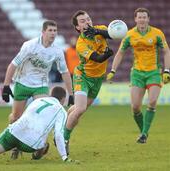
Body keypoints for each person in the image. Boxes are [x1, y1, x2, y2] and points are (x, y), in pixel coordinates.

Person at [1, 20, 74, 158]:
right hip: (22, 83)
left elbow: (65, 72)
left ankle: (39, 147)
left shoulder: (57, 51)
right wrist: (5, 86)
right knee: (15, 117)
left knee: (43, 116)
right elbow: (13, 65)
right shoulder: (29, 46)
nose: (53, 33)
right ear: (43, 32)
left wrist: (71, 93)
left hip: (40, 86)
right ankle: (15, 145)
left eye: (55, 31)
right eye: (50, 30)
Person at [107, 8, 170, 143]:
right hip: (137, 73)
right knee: (135, 107)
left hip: (154, 72)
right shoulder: (129, 35)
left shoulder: (157, 33)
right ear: (135, 19)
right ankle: (144, 132)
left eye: (144, 17)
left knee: (152, 101)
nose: (142, 19)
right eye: (139, 17)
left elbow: (166, 51)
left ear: (148, 19)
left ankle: (144, 134)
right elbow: (120, 53)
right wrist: (112, 70)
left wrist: (167, 71)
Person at [63, 10, 114, 154]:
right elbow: (97, 58)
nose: (87, 22)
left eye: (88, 19)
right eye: (83, 21)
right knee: (80, 109)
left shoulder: (101, 29)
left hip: (98, 79)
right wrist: (107, 54)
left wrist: (96, 31)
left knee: (79, 110)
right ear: (77, 27)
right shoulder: (81, 44)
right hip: (83, 76)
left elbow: (112, 34)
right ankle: (64, 138)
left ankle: (61, 122)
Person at [0, 86, 76, 163]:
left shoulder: (38, 100)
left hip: (13, 133)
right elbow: (58, 134)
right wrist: (64, 157)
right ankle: (36, 156)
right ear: (63, 99)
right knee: (43, 143)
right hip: (30, 145)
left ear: (50, 95)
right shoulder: (61, 111)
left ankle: (15, 147)